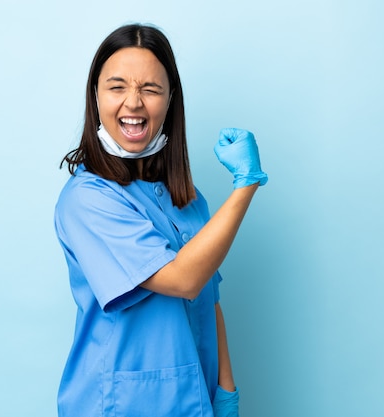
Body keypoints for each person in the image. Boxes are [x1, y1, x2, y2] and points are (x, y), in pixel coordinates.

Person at [54, 23, 267, 417]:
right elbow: (183, 279)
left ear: (170, 101)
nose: (133, 103)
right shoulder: (87, 200)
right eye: (117, 87)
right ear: (95, 96)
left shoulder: (187, 199)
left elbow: (208, 298)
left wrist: (226, 392)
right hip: (119, 406)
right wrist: (246, 185)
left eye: (150, 89)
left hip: (194, 401)